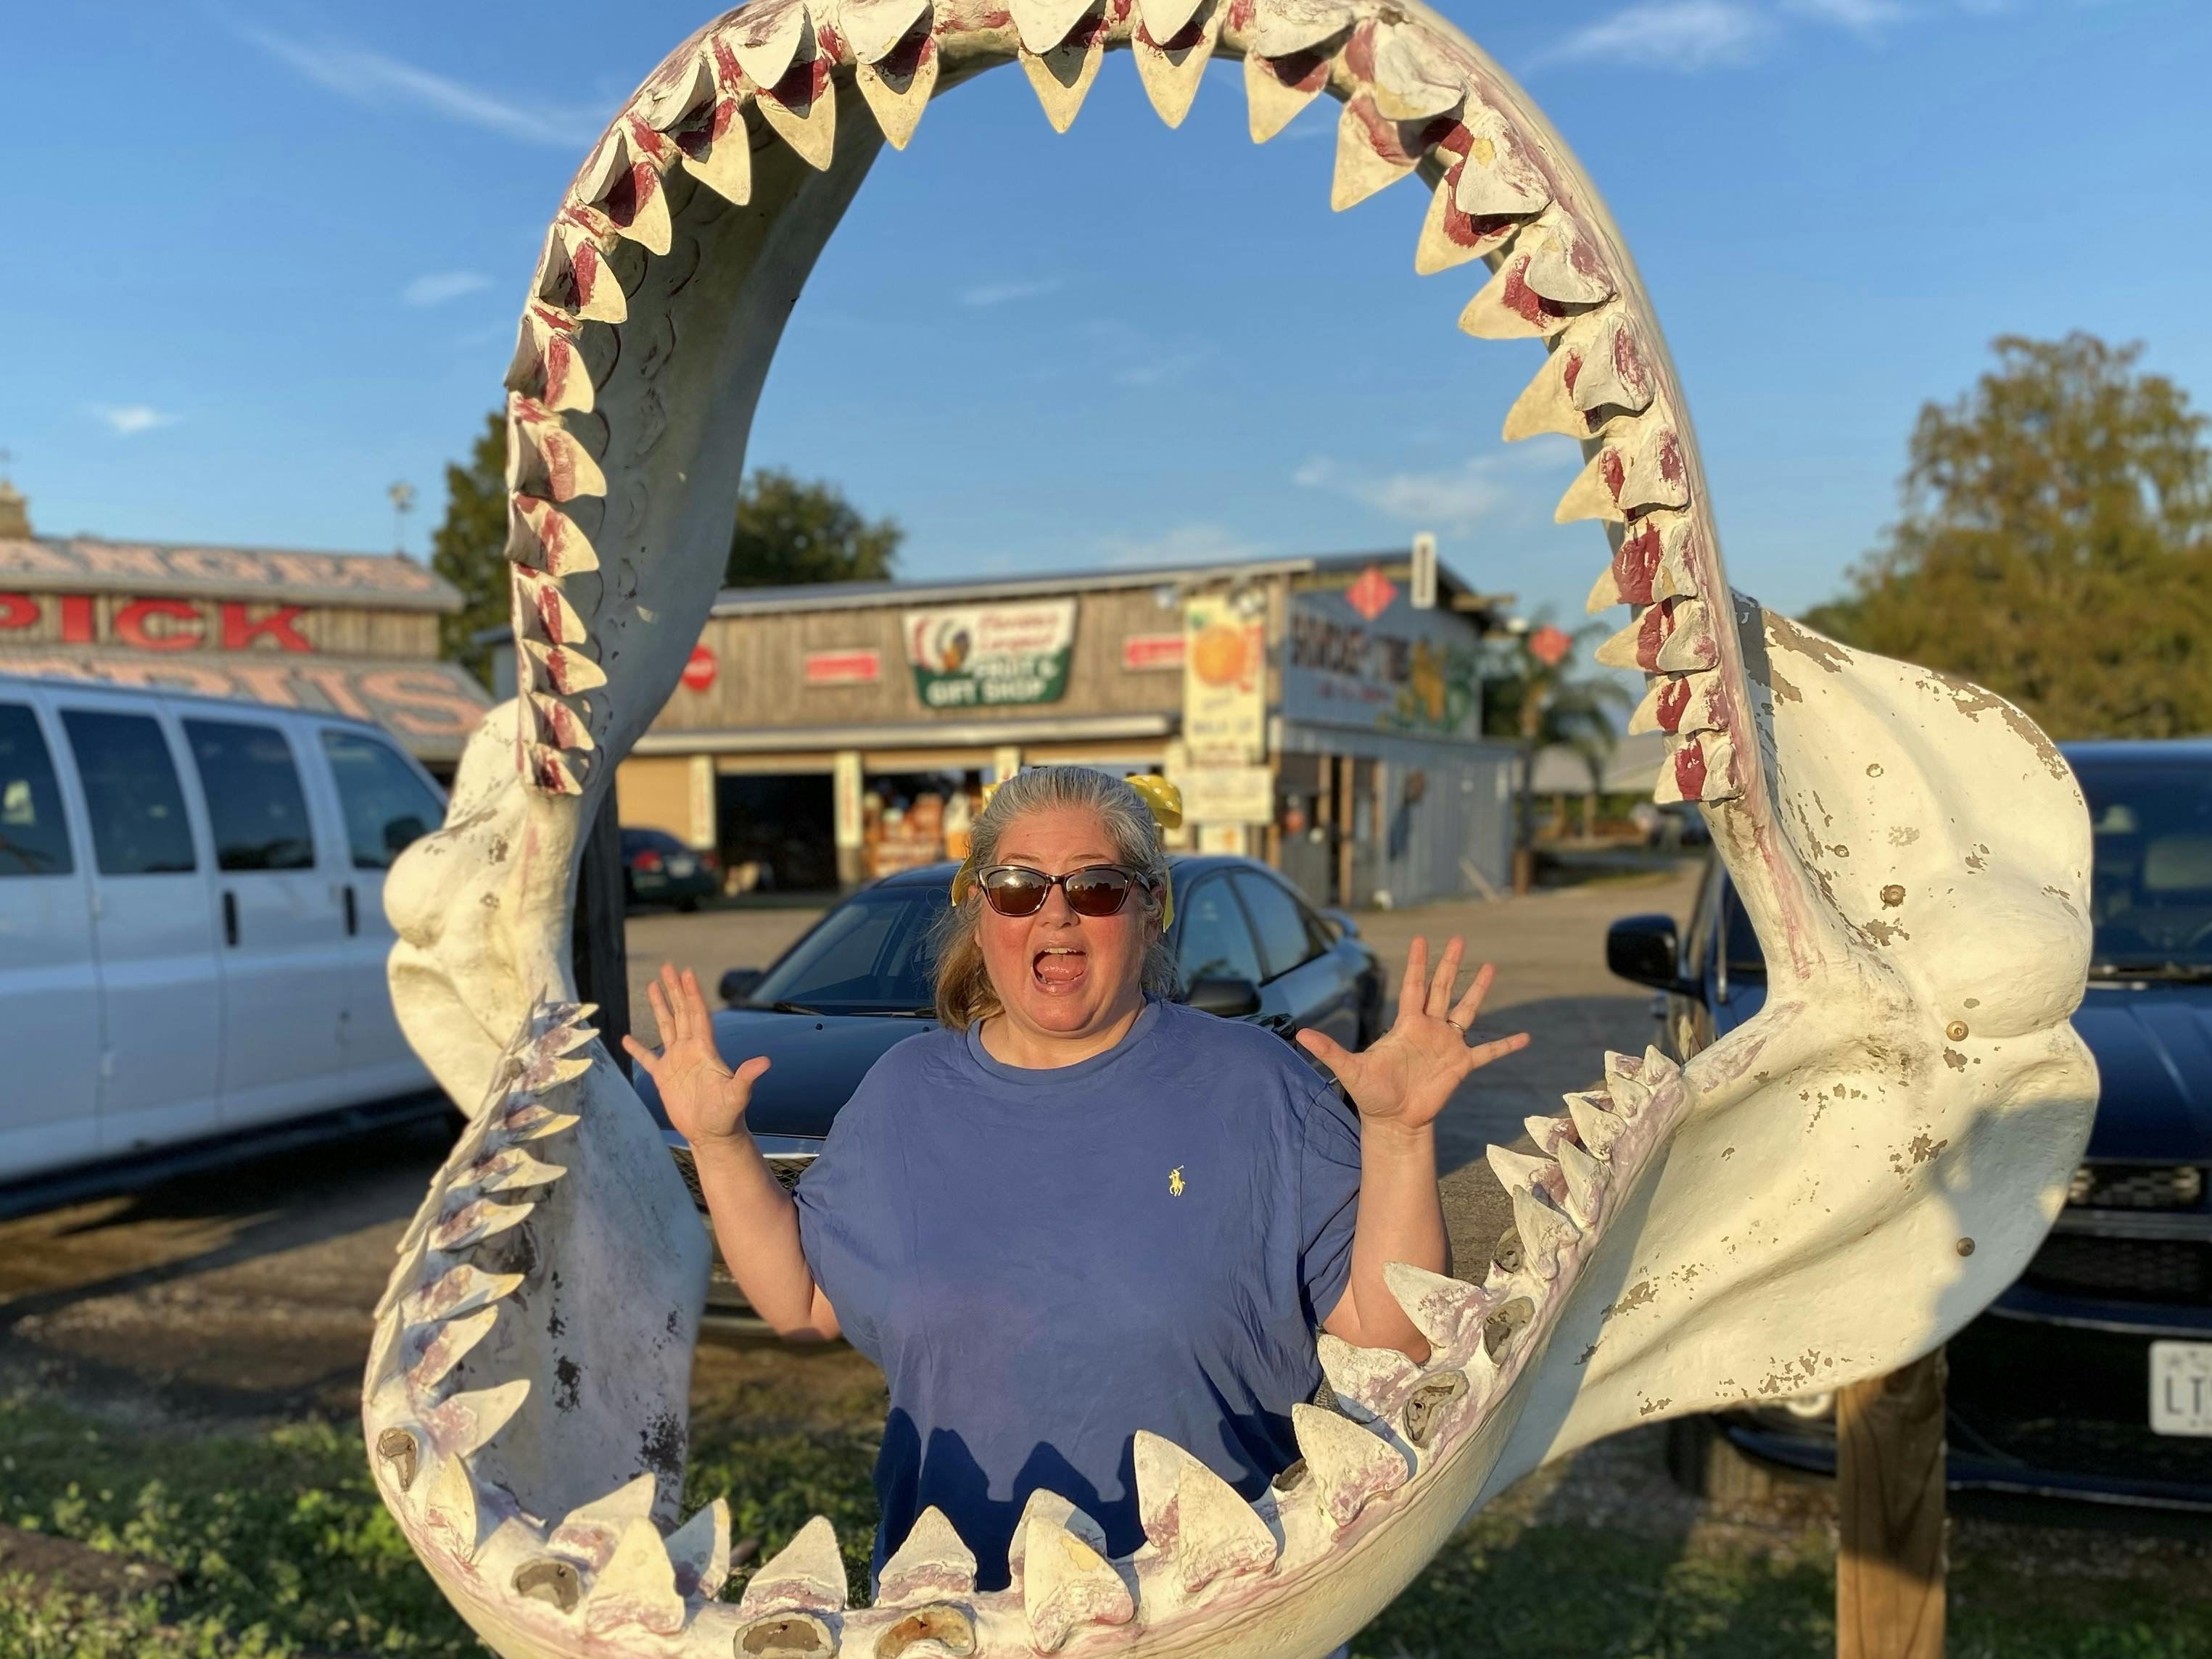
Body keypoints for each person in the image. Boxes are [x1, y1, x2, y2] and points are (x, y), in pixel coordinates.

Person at [625, 766, 1528, 1589]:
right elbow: (800, 1299)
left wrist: (1401, 1135)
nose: (1053, 915)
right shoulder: (903, 1093)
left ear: (1148, 909)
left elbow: (1392, 1336)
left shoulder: (1257, 1083)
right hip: (962, 1613)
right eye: (1018, 887)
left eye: (1093, 886)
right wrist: (720, 1142)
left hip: (1217, 1609)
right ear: (980, 912)